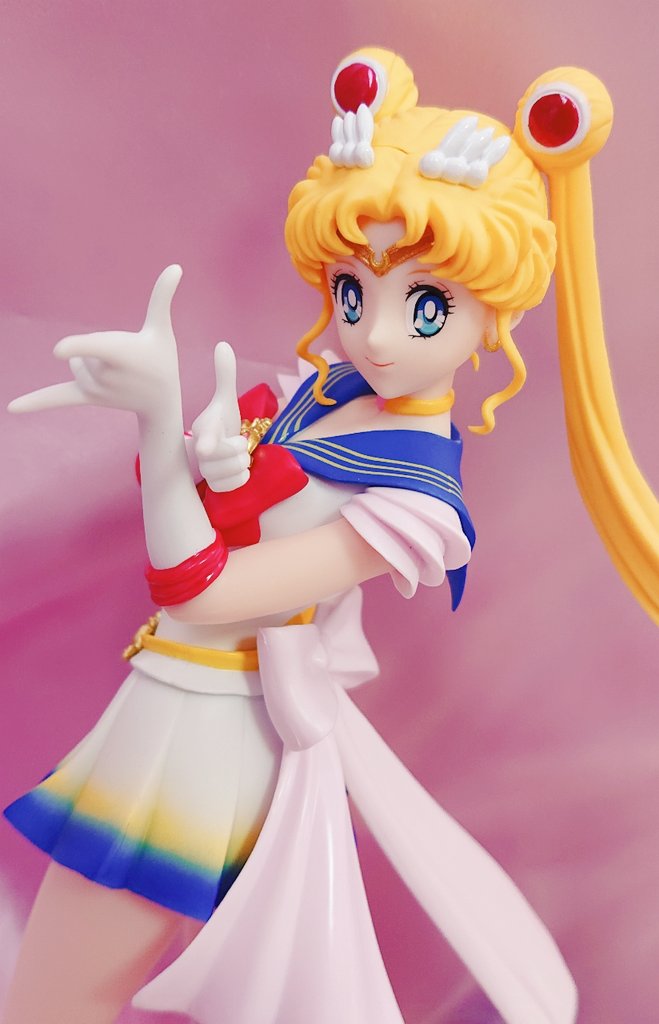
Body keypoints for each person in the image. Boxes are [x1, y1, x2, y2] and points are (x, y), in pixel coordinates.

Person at [2, 46, 656, 1024]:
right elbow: (203, 523)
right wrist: (193, 449)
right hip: (175, 715)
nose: (375, 333)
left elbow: (202, 591)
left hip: (204, 746)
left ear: (493, 317)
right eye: (353, 292)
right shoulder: (317, 397)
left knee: (55, 998)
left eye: (424, 305)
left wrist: (157, 421)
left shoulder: (412, 500)